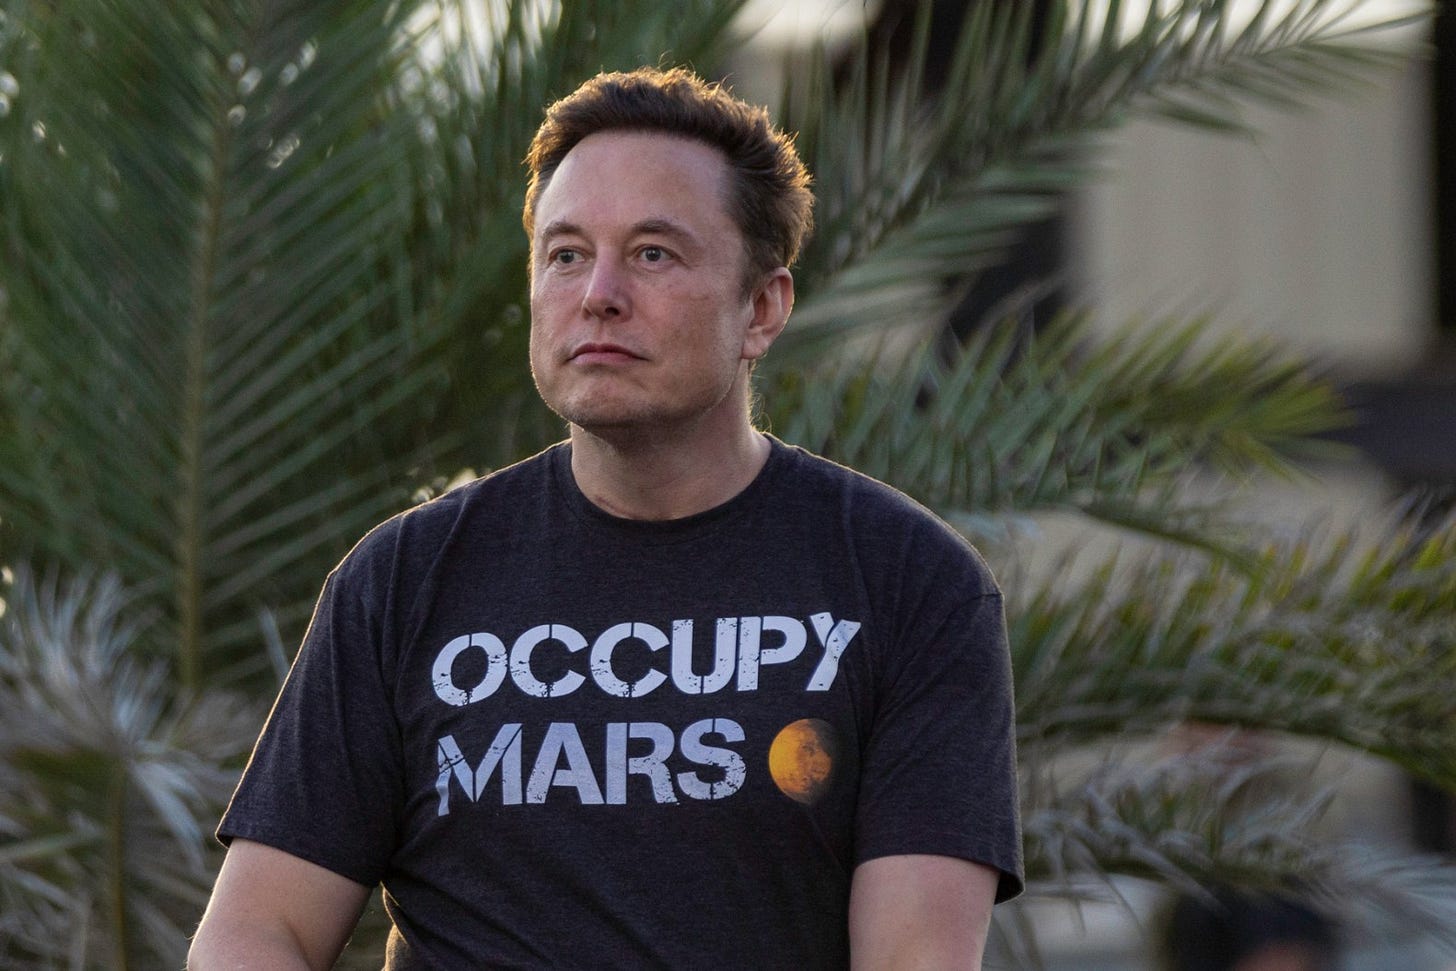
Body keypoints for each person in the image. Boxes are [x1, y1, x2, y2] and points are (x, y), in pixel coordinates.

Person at [188, 66, 1023, 970]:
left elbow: (916, 957)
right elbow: (255, 928)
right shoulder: (404, 579)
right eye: (566, 254)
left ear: (762, 307)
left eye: (654, 253)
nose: (599, 294)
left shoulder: (908, 582)